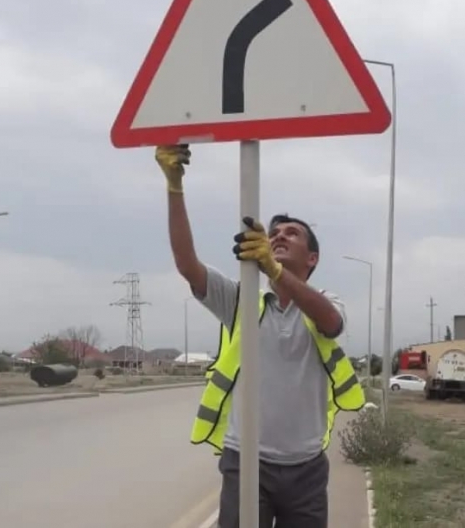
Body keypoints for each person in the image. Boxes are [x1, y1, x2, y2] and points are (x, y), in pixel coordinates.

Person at [155, 144, 366, 527]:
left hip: (306, 467)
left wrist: (274, 269)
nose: (279, 237)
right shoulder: (241, 300)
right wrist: (174, 187)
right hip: (245, 460)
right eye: (274, 234)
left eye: (292, 233)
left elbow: (331, 323)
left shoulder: (326, 302)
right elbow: (187, 264)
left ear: (313, 258)